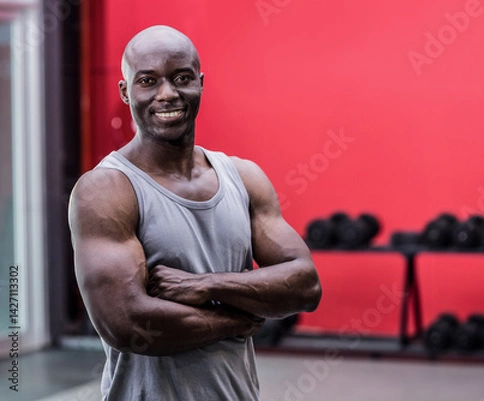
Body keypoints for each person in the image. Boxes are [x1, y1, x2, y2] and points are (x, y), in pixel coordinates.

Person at [68, 25, 322, 400]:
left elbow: (305, 285)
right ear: (125, 91)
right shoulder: (105, 190)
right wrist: (235, 321)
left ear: (200, 84)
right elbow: (127, 323)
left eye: (181, 78)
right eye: (148, 81)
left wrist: (203, 286)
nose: (167, 93)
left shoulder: (243, 178)